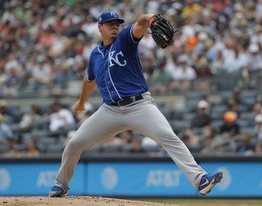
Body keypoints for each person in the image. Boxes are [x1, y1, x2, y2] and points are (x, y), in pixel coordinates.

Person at [49, 10, 222, 197]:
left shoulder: (125, 40)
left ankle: (200, 179)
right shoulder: (95, 54)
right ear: (100, 28)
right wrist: (81, 102)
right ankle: (61, 185)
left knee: (167, 136)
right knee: (75, 142)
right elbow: (89, 80)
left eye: (117, 23)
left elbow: (141, 22)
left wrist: (152, 19)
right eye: (110, 24)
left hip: (139, 105)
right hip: (110, 111)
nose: (115, 27)